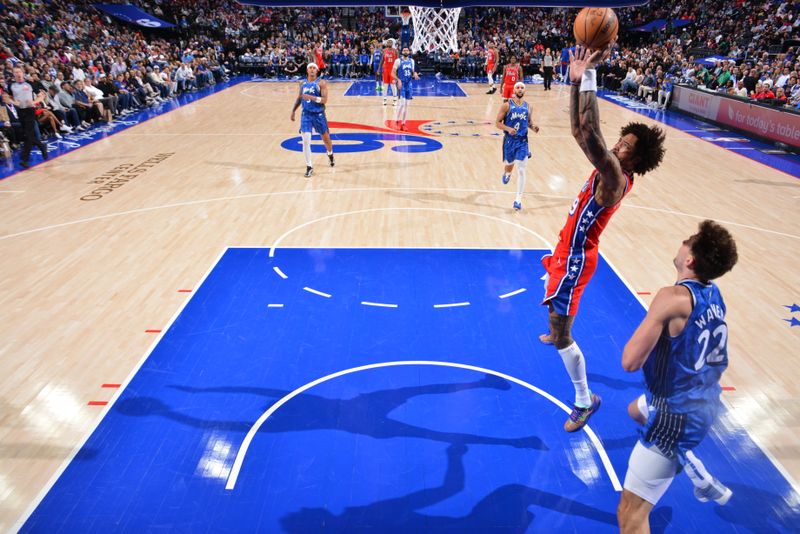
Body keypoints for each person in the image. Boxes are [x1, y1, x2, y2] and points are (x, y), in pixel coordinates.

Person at [540, 46, 666, 432]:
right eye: (621, 140)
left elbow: (591, 132)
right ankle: (558, 326)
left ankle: (584, 400)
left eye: (625, 145)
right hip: (567, 249)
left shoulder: (615, 179)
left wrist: (590, 75)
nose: (617, 145)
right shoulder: (610, 166)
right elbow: (581, 131)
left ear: (635, 160)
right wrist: (576, 82)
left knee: (563, 335)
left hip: (577, 259)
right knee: (555, 319)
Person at [617, 221, 738, 533]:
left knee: (630, 515)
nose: (683, 243)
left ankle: (678, 453)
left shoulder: (671, 298)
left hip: (676, 415)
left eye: (688, 242)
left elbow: (630, 362)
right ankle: (695, 469)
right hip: (706, 401)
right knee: (636, 409)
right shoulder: (714, 293)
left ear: (690, 260)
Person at [495, 81, 539, 210]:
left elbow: (529, 123)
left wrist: (534, 127)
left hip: (522, 141)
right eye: (518, 87)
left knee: (521, 169)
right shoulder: (506, 105)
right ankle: (507, 173)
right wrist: (508, 129)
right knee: (509, 164)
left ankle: (518, 200)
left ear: (525, 91)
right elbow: (497, 123)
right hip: (509, 140)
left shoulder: (529, 107)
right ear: (514, 91)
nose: (520, 89)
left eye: (522, 88)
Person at [290, 63, 334, 178]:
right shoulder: (302, 83)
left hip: (319, 114)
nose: (312, 70)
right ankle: (309, 166)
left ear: (317, 70)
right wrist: (293, 110)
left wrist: (312, 97)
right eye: (310, 68)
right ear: (307, 70)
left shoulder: (321, 83)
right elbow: (300, 98)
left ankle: (330, 153)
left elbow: (325, 100)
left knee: (326, 139)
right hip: (306, 115)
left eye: (314, 68)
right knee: (306, 140)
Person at [9, 66, 47, 168]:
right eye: (15, 72)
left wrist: (34, 102)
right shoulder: (11, 85)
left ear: (22, 72)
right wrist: (13, 102)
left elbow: (42, 95)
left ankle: (25, 159)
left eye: (19, 71)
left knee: (28, 135)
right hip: (20, 111)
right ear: (13, 74)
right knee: (27, 134)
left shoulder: (30, 84)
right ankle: (42, 146)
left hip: (30, 110)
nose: (18, 73)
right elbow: (9, 98)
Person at [392, 47, 420, 130]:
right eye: (404, 50)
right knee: (402, 104)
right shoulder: (398, 61)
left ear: (409, 52)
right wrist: (398, 80)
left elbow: (412, 71)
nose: (405, 51)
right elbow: (392, 73)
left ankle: (403, 123)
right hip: (401, 84)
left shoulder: (411, 61)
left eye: (407, 50)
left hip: (409, 84)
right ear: (402, 52)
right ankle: (396, 121)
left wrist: (415, 74)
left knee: (407, 106)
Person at [380, 38, 399, 106]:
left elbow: (398, 61)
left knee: (393, 85)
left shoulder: (395, 51)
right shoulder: (384, 50)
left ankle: (395, 100)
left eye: (390, 42)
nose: (389, 43)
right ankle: (384, 99)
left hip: (393, 70)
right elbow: (382, 60)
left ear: (393, 43)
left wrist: (398, 71)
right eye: (388, 42)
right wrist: (379, 69)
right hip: (385, 70)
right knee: (385, 85)